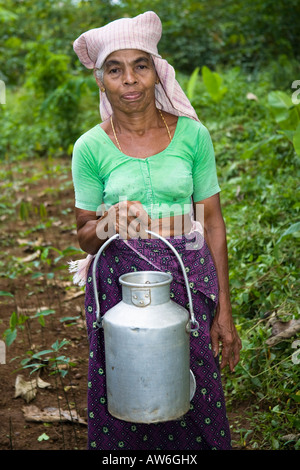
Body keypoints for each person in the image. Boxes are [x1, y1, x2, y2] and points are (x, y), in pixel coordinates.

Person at [71, 11, 242, 450]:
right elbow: (84, 235)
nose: (129, 80)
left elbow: (214, 224)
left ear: (156, 71)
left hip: (189, 278)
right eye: (115, 69)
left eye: (139, 65)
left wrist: (224, 310)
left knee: (193, 381)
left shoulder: (192, 136)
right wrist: (109, 223)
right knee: (127, 381)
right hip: (118, 287)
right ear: (102, 81)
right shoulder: (90, 147)